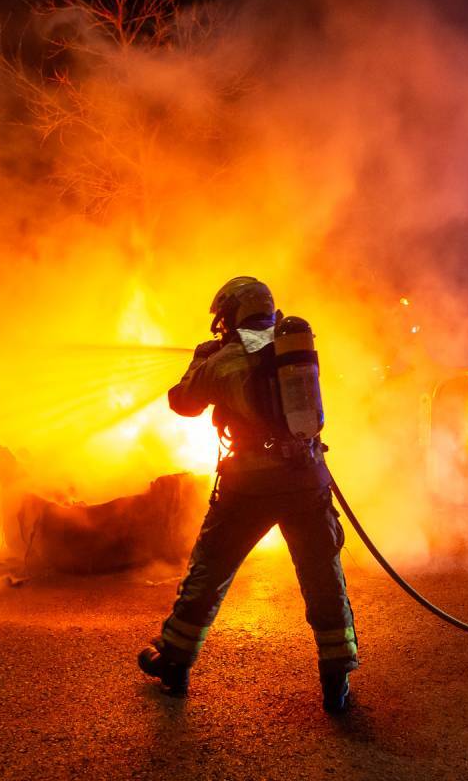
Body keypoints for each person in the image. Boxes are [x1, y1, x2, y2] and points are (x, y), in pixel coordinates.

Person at [138, 276, 358, 713]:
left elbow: (182, 402)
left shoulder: (223, 359)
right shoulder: (291, 349)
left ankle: (175, 664)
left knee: (209, 571)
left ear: (230, 315)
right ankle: (337, 676)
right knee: (322, 576)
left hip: (250, 485)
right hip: (307, 478)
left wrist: (200, 360)